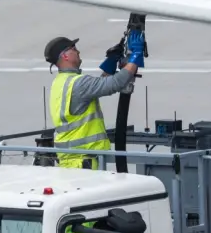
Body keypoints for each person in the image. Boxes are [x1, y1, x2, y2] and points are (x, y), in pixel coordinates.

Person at [42, 30, 142, 169]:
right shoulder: (78, 83)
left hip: (71, 160)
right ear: (65, 55)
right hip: (84, 162)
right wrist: (136, 55)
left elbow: (97, 87)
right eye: (74, 49)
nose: (78, 52)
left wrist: (110, 63)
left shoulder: (61, 82)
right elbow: (116, 83)